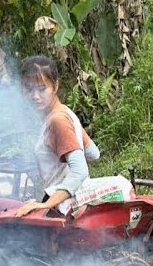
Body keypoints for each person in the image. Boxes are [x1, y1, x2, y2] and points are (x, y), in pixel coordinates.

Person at [13, 55, 101, 217]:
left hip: (63, 208)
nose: (35, 96)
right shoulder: (65, 113)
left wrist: (45, 204)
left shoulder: (57, 120)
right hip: (75, 201)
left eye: (41, 89)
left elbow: (80, 171)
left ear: (55, 86)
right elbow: (93, 153)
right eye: (29, 89)